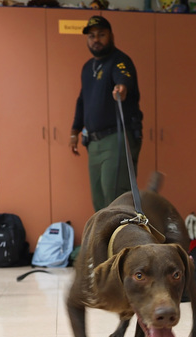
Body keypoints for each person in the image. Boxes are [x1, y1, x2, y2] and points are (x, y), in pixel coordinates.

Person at [69, 15, 143, 212]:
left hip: (116, 137)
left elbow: (123, 77)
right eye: (92, 36)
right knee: (99, 200)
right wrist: (74, 132)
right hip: (93, 143)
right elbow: (82, 100)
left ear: (111, 36)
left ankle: (124, 241)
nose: (96, 39)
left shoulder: (120, 60)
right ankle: (107, 242)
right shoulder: (87, 67)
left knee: (116, 196)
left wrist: (121, 87)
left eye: (101, 34)